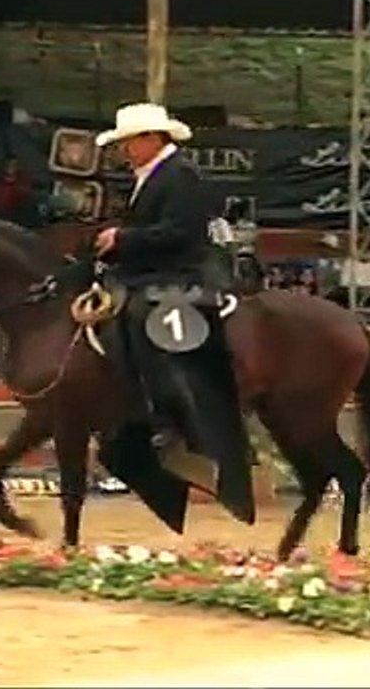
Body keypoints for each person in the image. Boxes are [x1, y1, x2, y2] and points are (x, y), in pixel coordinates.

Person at [90, 102, 254, 525]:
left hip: (181, 273)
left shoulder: (180, 176)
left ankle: (168, 417)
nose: (125, 150)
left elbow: (180, 233)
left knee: (143, 319)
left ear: (150, 139)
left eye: (129, 142)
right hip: (147, 269)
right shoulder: (148, 176)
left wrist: (122, 239)